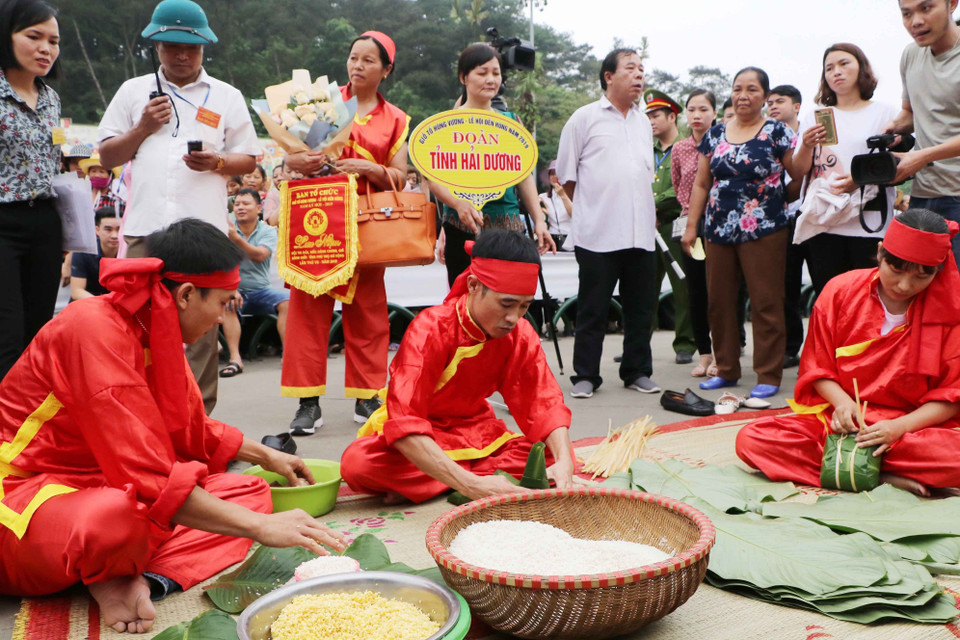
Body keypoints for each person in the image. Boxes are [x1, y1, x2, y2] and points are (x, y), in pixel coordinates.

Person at [0, 218, 346, 633]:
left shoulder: (156, 329)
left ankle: (140, 578)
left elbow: (190, 430)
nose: (223, 318)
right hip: (28, 494)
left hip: (110, 483)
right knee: (114, 517)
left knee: (249, 490)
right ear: (184, 295)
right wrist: (261, 529)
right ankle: (113, 566)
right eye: (223, 303)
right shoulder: (90, 326)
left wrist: (267, 455)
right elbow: (148, 477)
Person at [97, 0, 260, 416]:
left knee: (202, 337)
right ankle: (136, 423)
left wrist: (218, 163)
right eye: (171, 46)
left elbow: (250, 159)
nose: (182, 55)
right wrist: (143, 128)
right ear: (156, 46)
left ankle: (198, 427)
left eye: (191, 47)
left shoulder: (226, 96)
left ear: (205, 47)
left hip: (202, 237)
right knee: (130, 331)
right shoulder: (133, 92)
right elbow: (108, 156)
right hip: (145, 232)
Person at [737, 208, 960, 497]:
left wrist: (897, 428)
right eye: (896, 269)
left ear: (937, 271)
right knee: (751, 440)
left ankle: (850, 467)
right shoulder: (840, 291)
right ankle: (882, 476)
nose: (905, 285)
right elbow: (818, 368)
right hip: (842, 424)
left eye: (922, 276)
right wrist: (843, 405)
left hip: (909, 428)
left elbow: (952, 396)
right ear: (880, 253)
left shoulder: (951, 311)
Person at [340, 230, 574, 503]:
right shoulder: (431, 328)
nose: (513, 317)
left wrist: (563, 462)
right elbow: (404, 422)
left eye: (524, 306)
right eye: (506, 304)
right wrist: (473, 486)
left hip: (478, 433)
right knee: (358, 464)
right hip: (422, 435)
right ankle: (468, 479)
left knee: (554, 453)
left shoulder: (520, 333)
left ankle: (439, 480)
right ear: (474, 285)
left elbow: (543, 403)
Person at [283, 30, 410, 434]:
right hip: (316, 221)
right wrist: (303, 160)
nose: (357, 66)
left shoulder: (398, 119)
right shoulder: (319, 103)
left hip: (366, 226)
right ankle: (307, 403)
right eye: (354, 57)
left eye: (368, 60)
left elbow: (401, 178)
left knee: (370, 313)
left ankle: (368, 394)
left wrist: (371, 169)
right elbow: (292, 154)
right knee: (306, 312)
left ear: (386, 70)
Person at [681, 66, 800, 400]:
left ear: (764, 96)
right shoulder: (716, 133)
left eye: (751, 89)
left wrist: (780, 197)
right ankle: (727, 369)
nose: (743, 95)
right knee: (718, 301)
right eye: (737, 89)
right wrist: (692, 227)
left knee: (765, 301)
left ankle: (768, 373)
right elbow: (702, 182)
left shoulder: (777, 131)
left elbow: (797, 174)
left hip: (765, 226)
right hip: (717, 227)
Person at [557, 48, 662, 399]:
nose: (639, 76)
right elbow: (567, 178)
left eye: (641, 70)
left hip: (640, 232)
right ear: (608, 76)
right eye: (630, 68)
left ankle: (636, 371)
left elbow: (642, 175)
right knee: (593, 308)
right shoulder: (584, 118)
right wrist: (593, 206)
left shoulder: (643, 121)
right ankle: (585, 375)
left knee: (640, 309)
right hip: (597, 233)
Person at [427, 43, 554, 286]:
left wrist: (539, 220)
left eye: (496, 73)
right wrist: (457, 204)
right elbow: (435, 179)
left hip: (507, 225)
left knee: (507, 296)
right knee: (465, 299)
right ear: (464, 77)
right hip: (461, 226)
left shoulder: (511, 122)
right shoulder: (447, 124)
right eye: (482, 73)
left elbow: (524, 175)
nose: (491, 79)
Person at [794, 44, 898, 296]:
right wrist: (806, 145)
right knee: (830, 300)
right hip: (823, 222)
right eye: (829, 68)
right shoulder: (816, 115)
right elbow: (799, 172)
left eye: (844, 64)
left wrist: (857, 181)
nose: (836, 72)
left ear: (862, 68)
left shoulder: (885, 112)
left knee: (869, 300)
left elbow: (897, 163)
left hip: (869, 222)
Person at [0, 0, 63, 381]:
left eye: (53, 41)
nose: (46, 49)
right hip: (2, 222)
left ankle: (28, 425)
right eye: (33, 36)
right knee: (6, 330)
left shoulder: (51, 98)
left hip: (45, 222)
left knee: (39, 329)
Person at [885, 0, 960, 266]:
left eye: (926, 8)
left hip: (957, 196)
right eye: (906, 13)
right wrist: (893, 129)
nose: (915, 21)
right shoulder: (911, 55)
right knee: (917, 291)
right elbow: (910, 113)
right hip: (922, 195)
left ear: (952, 4)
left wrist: (923, 155)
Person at [645, 88, 696, 366]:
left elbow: (685, 188)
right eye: (648, 116)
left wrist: (654, 203)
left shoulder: (686, 148)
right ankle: (639, 344)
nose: (651, 121)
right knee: (643, 287)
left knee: (682, 286)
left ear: (672, 116)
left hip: (674, 225)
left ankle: (685, 343)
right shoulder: (646, 150)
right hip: (645, 228)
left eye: (656, 115)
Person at [671, 89, 717, 378]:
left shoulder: (724, 141)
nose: (697, 115)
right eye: (691, 110)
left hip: (721, 225)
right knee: (697, 289)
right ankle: (705, 354)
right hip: (692, 227)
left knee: (723, 290)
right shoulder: (680, 149)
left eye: (703, 109)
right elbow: (678, 186)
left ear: (714, 112)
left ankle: (726, 352)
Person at [219, 188, 289, 378]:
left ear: (258, 208)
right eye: (237, 204)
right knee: (228, 302)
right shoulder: (224, 228)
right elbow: (221, 262)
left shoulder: (267, 231)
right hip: (234, 288)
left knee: (288, 301)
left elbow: (259, 255)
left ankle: (289, 355)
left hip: (261, 291)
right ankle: (235, 358)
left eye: (246, 204)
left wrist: (236, 239)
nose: (240, 208)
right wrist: (231, 288)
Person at [767, 84, 806, 369]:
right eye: (769, 102)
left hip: (813, 215)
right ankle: (790, 347)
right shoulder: (765, 137)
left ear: (797, 106)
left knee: (822, 285)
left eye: (779, 101)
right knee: (785, 285)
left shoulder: (812, 134)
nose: (772, 106)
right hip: (782, 219)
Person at [70, 206, 120, 300]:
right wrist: (103, 305)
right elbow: (77, 291)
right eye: (108, 230)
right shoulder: (84, 251)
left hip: (116, 305)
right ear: (97, 230)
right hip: (87, 304)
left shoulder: (128, 253)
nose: (114, 235)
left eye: (119, 229)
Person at [539, 160, 573, 249]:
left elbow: (575, 215)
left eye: (558, 173)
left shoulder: (574, 195)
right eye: (552, 173)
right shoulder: (543, 197)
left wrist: (563, 196)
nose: (555, 176)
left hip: (570, 238)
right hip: (551, 238)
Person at [79, 152, 125, 216]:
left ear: (110, 176)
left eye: (102, 172)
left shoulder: (116, 201)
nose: (97, 175)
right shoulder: (80, 197)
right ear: (89, 174)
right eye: (93, 171)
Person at [262, 158, 302, 225]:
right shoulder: (274, 193)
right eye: (288, 172)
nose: (293, 176)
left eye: (297, 172)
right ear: (283, 173)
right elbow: (272, 222)